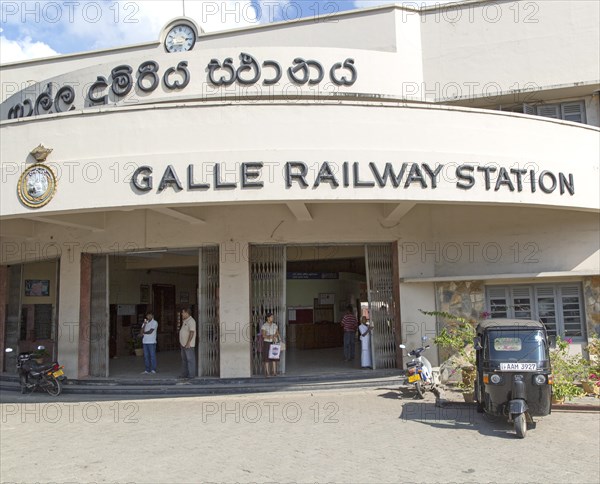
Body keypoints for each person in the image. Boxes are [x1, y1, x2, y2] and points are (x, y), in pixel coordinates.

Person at [179, 307, 197, 379]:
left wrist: (188, 342)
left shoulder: (191, 321)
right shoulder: (185, 321)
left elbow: (192, 332)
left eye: (183, 312)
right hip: (183, 344)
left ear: (187, 313)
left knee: (190, 360)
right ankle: (184, 374)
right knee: (184, 360)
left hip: (188, 345)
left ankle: (191, 375)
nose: (182, 314)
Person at [261, 312, 280, 377]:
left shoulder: (275, 325)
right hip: (267, 342)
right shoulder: (264, 325)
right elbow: (263, 335)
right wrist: (270, 336)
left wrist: (275, 336)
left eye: (273, 317)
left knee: (274, 357)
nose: (273, 318)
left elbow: (277, 333)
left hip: (274, 342)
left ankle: (274, 372)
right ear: (268, 318)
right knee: (267, 358)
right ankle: (267, 373)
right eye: (271, 317)